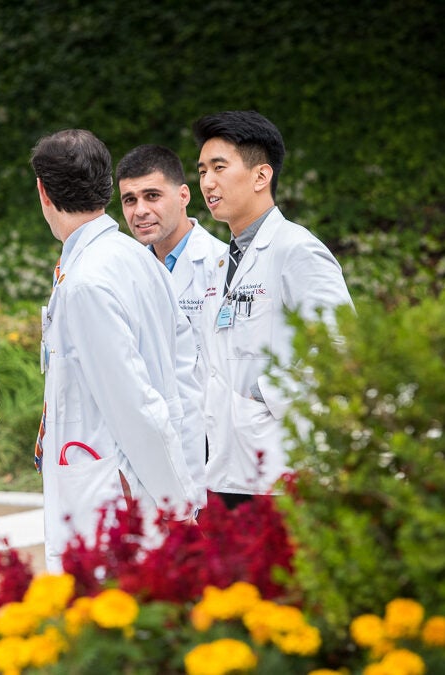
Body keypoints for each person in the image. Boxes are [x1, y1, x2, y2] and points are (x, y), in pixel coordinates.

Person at [32, 130, 199, 572]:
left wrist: (176, 500)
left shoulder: (88, 280)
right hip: (125, 476)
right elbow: (183, 375)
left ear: (43, 192)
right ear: (107, 186)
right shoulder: (135, 257)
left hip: (114, 487)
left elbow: (134, 402)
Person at [192, 110, 353, 507]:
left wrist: (263, 395)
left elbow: (341, 344)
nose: (207, 183)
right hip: (225, 467)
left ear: (261, 176)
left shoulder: (296, 250)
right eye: (201, 171)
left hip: (279, 473)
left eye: (219, 168)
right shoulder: (222, 261)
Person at [116, 144, 228, 497]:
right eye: (129, 200)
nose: (140, 211)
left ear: (183, 196)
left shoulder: (220, 265)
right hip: (151, 445)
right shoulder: (126, 272)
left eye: (152, 195)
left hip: (213, 446)